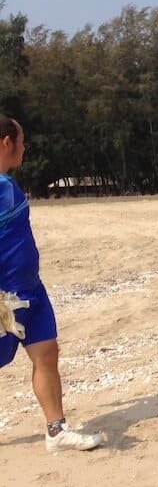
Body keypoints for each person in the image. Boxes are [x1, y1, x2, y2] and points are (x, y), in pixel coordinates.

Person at [0, 115, 104, 452]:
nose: (24, 148)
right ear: (6, 142)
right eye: (22, 141)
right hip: (5, 299)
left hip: (32, 291)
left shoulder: (8, 185)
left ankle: (56, 430)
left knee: (46, 355)